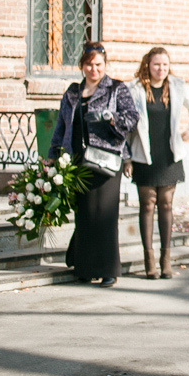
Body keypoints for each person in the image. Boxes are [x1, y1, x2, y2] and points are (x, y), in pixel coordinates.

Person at [49, 42, 138, 288]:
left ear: (104, 65)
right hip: (76, 159)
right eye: (89, 64)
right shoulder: (73, 92)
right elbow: (60, 126)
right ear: (82, 66)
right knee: (85, 214)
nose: (93, 69)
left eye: (98, 64)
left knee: (106, 215)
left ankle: (109, 269)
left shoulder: (116, 88)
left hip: (107, 160)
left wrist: (110, 118)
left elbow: (132, 118)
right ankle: (85, 268)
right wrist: (52, 155)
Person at [126, 47, 189, 279]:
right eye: (157, 64)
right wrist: (127, 159)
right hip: (144, 155)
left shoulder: (177, 86)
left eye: (165, 65)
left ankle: (165, 260)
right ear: (148, 65)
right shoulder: (135, 89)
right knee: (147, 205)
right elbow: (127, 126)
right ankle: (149, 262)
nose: (161, 69)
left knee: (166, 204)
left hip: (169, 155)